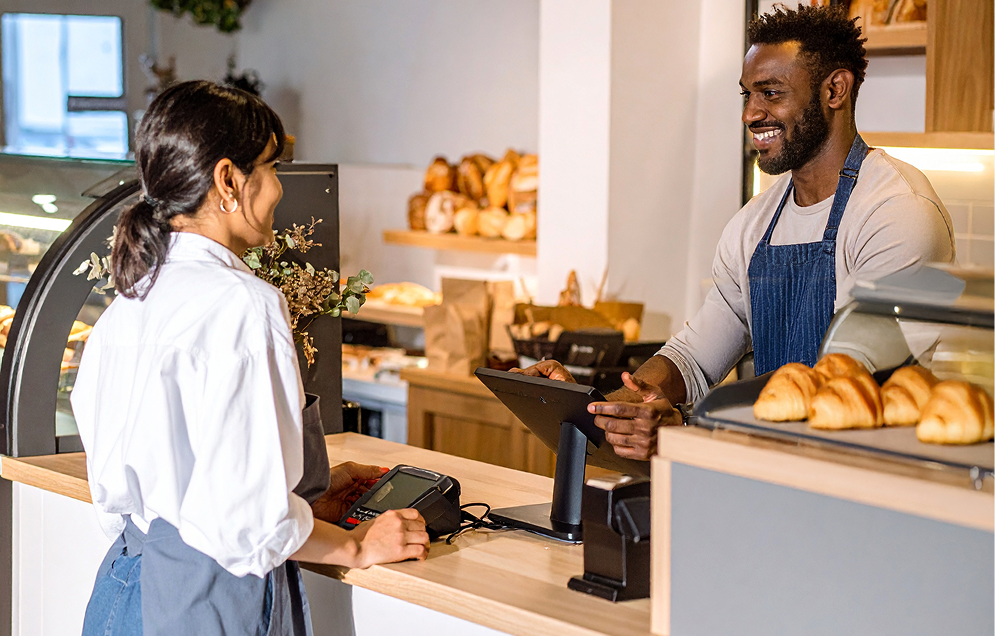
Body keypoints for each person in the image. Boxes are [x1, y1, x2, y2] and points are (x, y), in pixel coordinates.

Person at [516, 5, 955, 461]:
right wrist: (604, 406)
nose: (750, 113)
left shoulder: (896, 212)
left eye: (770, 93)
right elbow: (693, 358)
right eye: (747, 95)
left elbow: (842, 378)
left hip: (874, 478)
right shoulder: (754, 224)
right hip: (772, 470)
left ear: (835, 90)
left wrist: (689, 424)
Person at [72, 81, 430, 636]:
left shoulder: (131, 301)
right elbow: (248, 526)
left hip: (123, 592)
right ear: (228, 180)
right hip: (202, 606)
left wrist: (302, 497)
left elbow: (168, 486)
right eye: (273, 166)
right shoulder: (242, 302)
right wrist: (359, 545)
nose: (280, 189)